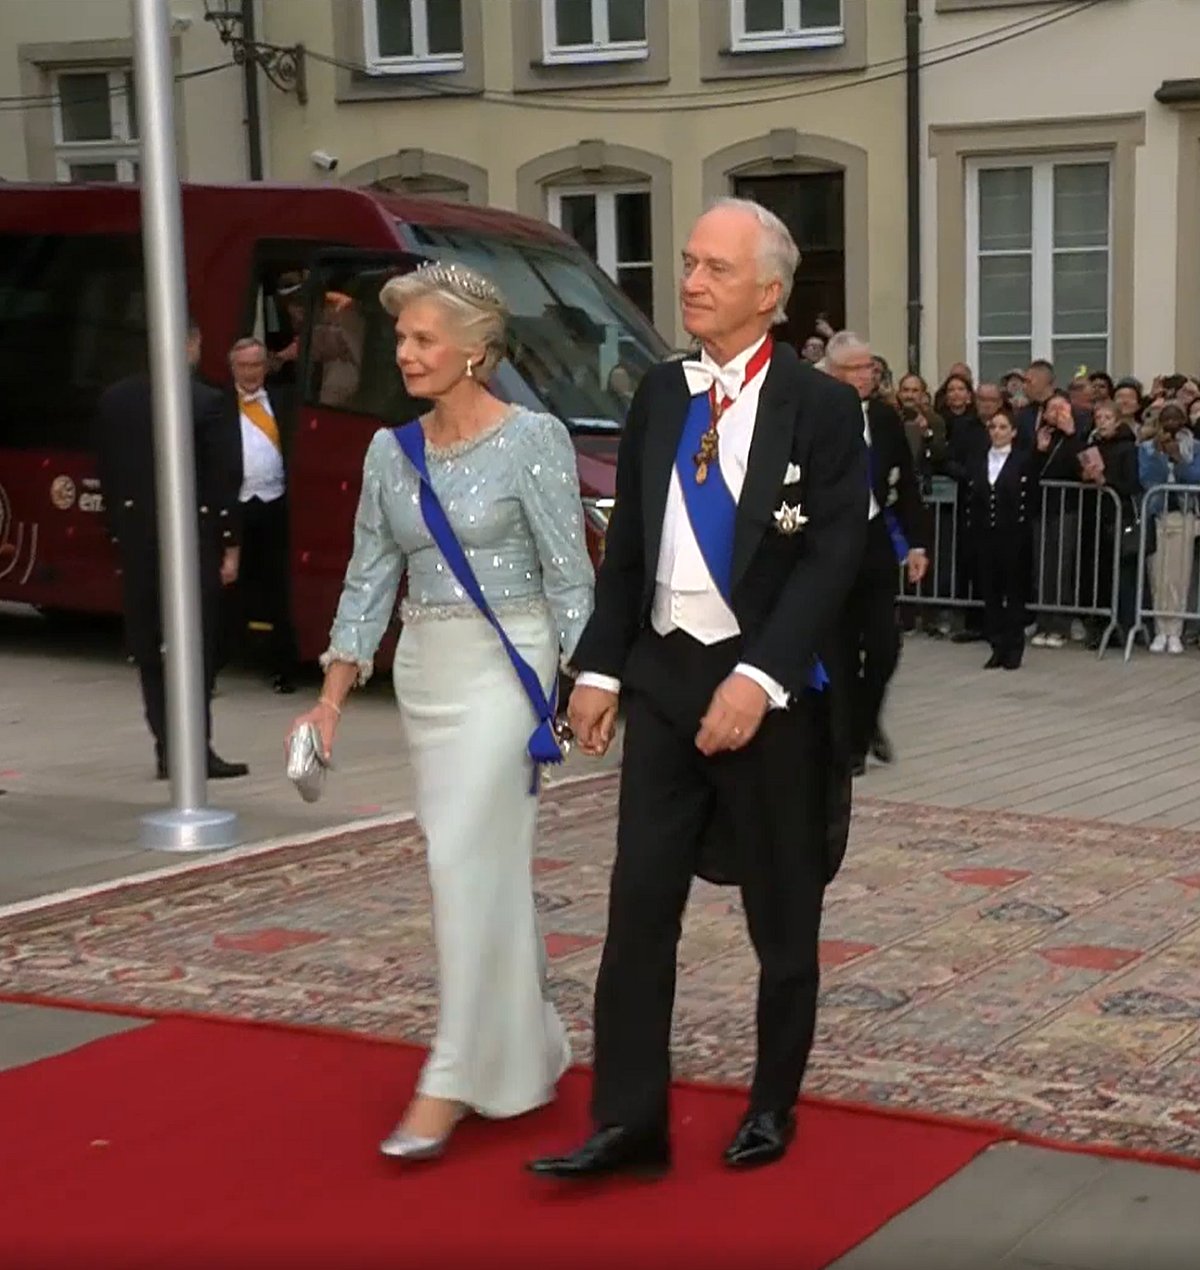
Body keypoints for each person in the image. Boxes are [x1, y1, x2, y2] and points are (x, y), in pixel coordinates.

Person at [527, 198, 867, 1181]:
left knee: (781, 916)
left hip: (770, 697)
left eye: (715, 268)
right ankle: (629, 1121)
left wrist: (760, 678)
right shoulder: (662, 394)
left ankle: (771, 1102)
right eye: (687, 263)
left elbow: (831, 561)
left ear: (769, 293)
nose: (689, 282)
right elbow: (630, 550)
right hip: (668, 683)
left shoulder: (825, 408)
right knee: (638, 908)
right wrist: (597, 667)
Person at [288, 262, 593, 1160]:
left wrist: (591, 681)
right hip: (426, 672)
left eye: (424, 339)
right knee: (478, 863)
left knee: (463, 859)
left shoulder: (533, 438)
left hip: (510, 666)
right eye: (402, 338)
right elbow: (369, 579)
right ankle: (528, 1044)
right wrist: (332, 700)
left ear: (475, 353)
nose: (406, 353)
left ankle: (454, 1075)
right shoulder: (391, 451)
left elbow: (568, 569)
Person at [94, 317, 248, 780]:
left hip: (138, 540)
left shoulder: (115, 400)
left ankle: (166, 745)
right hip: (192, 541)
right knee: (194, 645)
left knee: (149, 647)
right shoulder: (206, 402)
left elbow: (106, 471)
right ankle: (194, 749)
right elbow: (224, 478)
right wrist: (230, 543)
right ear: (192, 343)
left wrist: (119, 529)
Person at [825, 332, 927, 774]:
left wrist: (917, 543)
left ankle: (866, 722)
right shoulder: (814, 415)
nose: (871, 374)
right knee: (842, 650)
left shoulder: (885, 420)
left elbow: (906, 485)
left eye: (872, 367)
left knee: (885, 645)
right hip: (829, 547)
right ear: (836, 373)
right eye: (861, 368)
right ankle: (849, 744)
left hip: (874, 543)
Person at [226, 336, 299, 694]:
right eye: (244, 366)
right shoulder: (220, 407)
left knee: (276, 587)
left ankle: (281, 668)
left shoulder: (283, 403)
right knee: (226, 586)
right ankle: (213, 666)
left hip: (274, 505)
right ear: (233, 369)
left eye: (256, 365)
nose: (251, 373)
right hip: (235, 507)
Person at [965, 409, 1033, 670]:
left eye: (1003, 427)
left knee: (1014, 592)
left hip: (1013, 535)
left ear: (1013, 432)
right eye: (993, 427)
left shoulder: (1023, 460)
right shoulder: (979, 460)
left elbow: (1030, 499)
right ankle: (996, 645)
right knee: (990, 592)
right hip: (985, 535)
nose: (996, 432)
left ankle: (1014, 648)